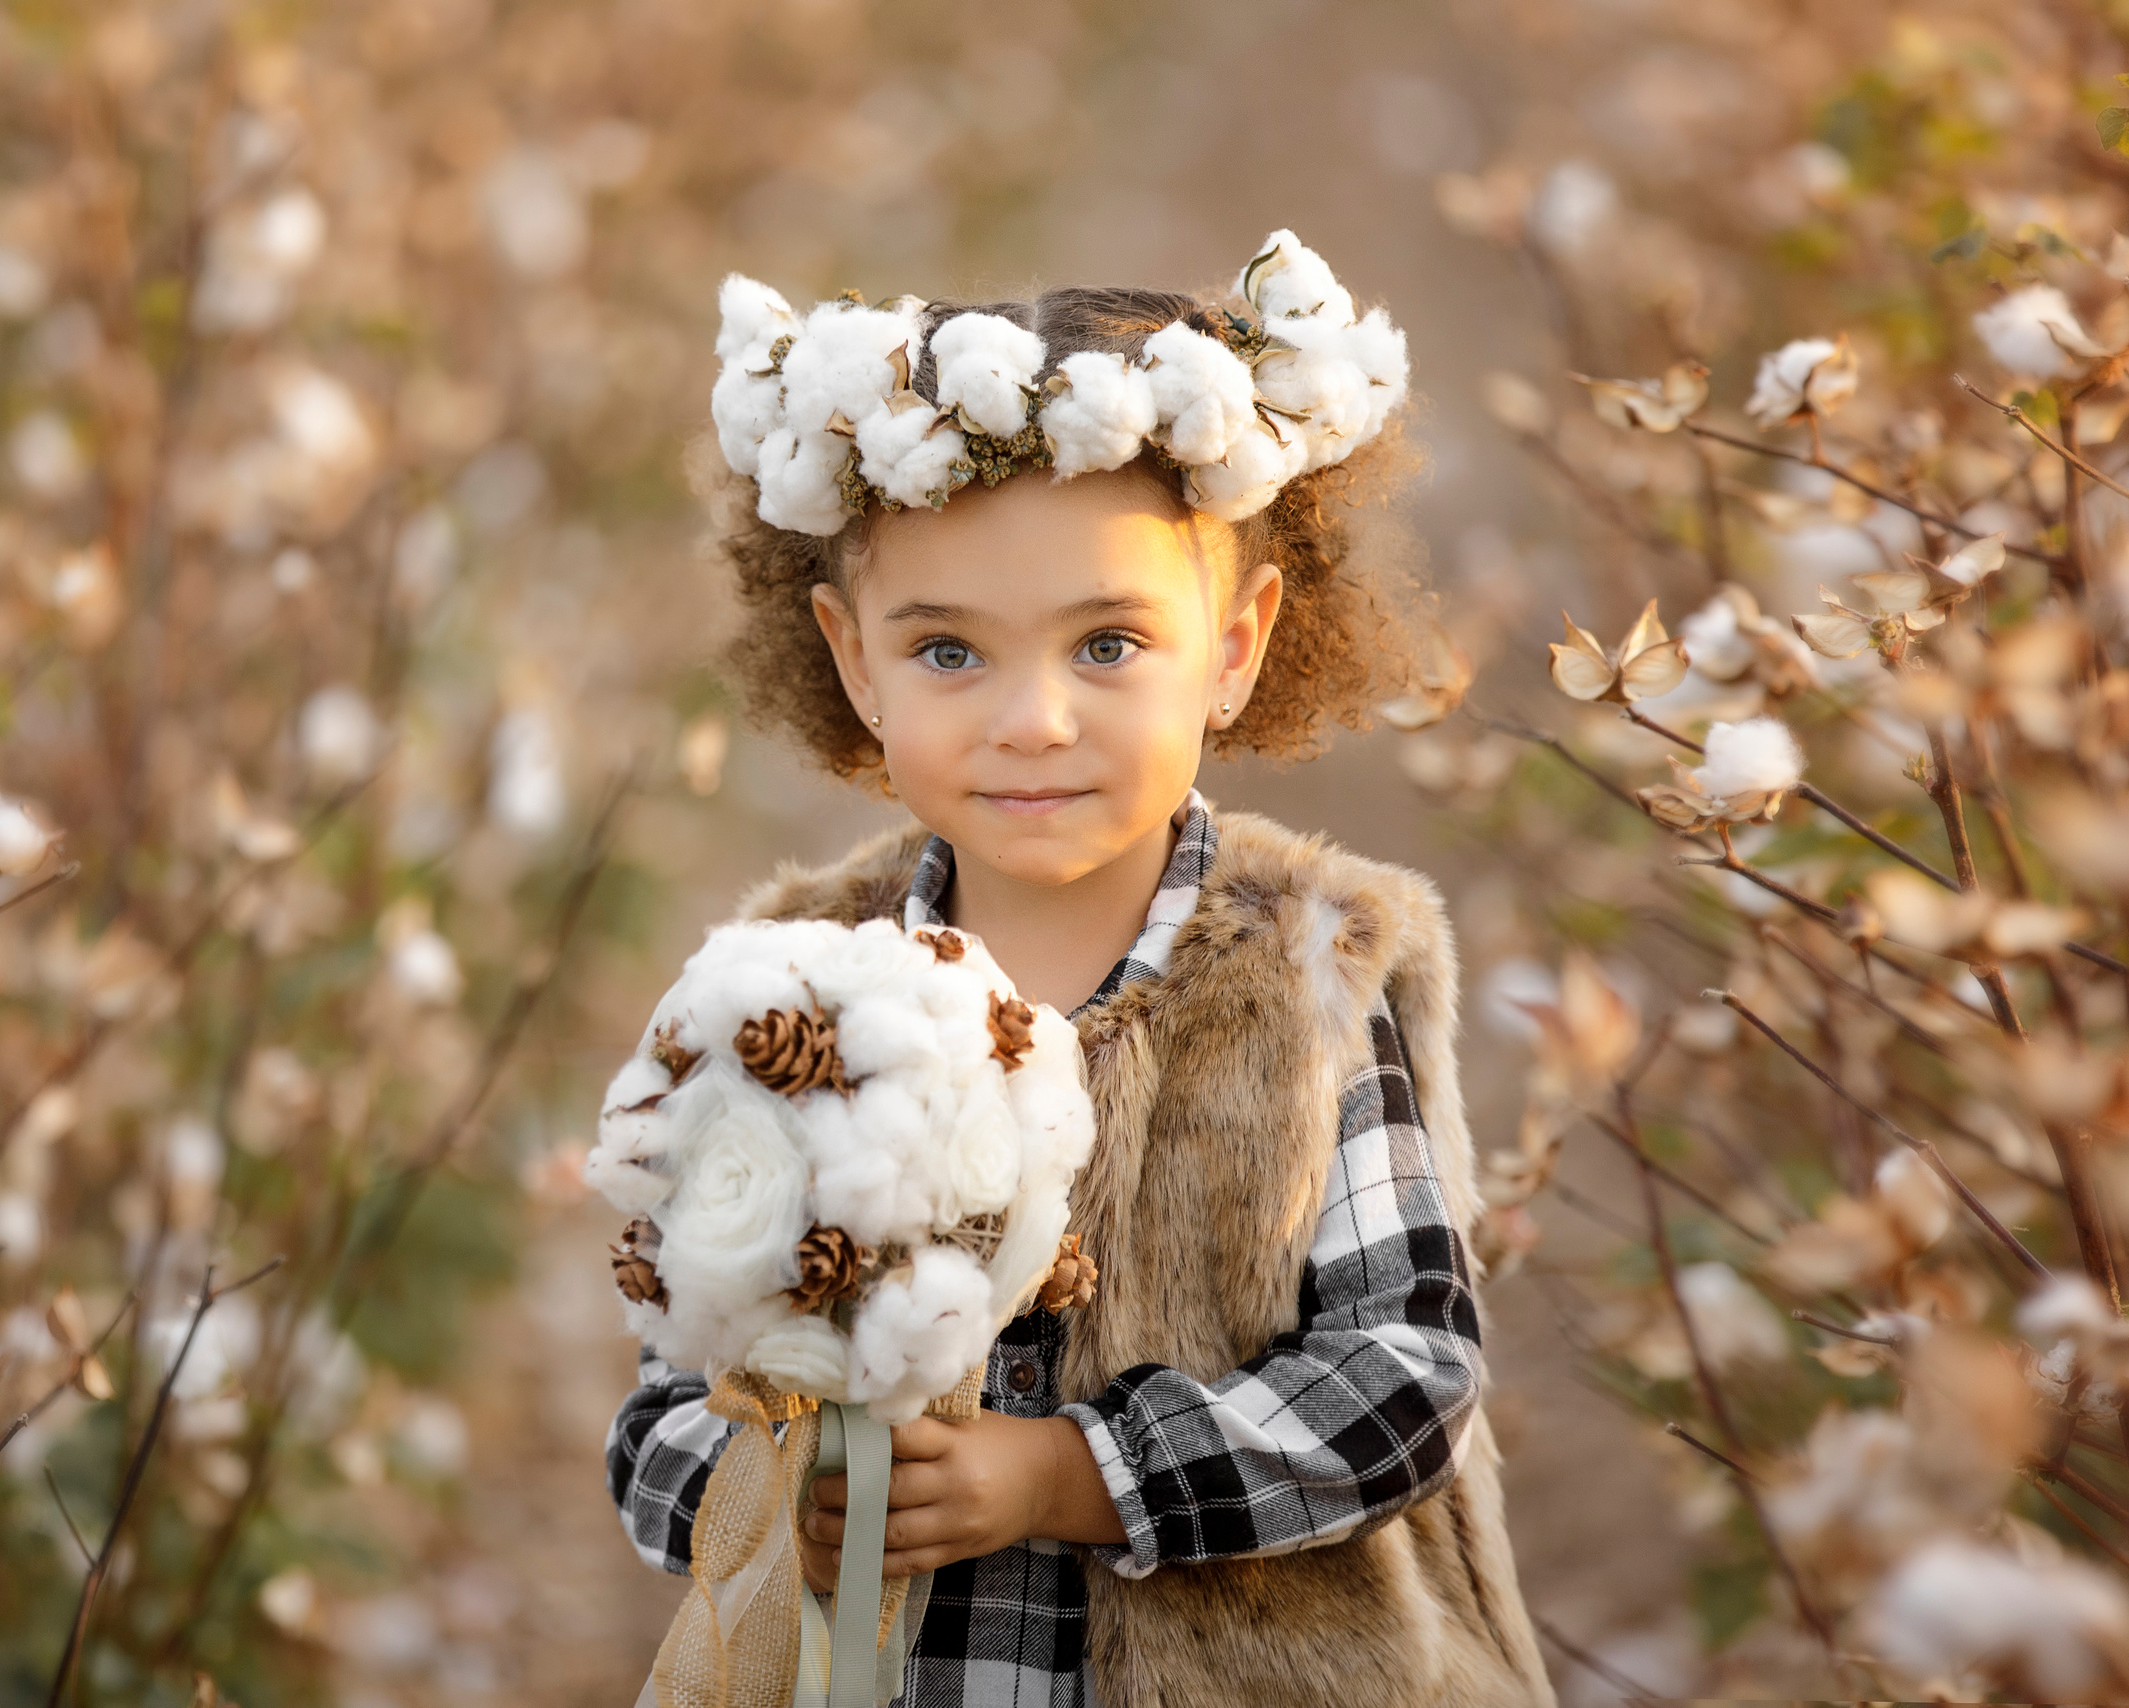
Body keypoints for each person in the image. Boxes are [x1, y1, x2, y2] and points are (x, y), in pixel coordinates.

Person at [607, 233, 1553, 1707]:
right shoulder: (795, 998)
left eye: (1108, 644)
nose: (1033, 721)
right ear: (854, 662)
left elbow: (1404, 1380)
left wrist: (1076, 1475)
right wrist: (771, 1490)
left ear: (1234, 647)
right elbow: (665, 1403)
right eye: (948, 655)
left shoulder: (1305, 976)